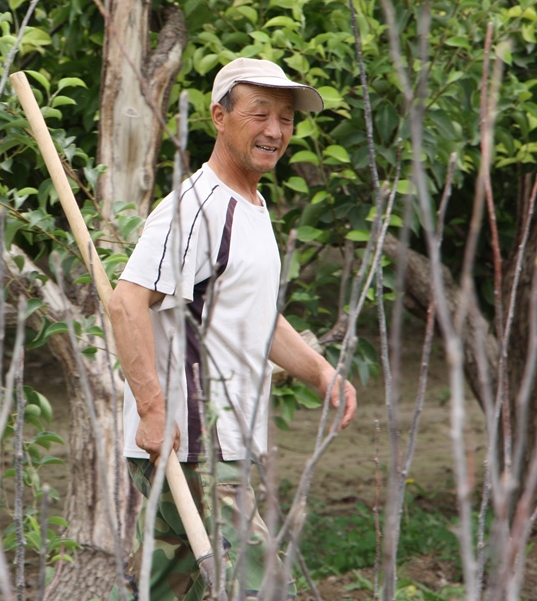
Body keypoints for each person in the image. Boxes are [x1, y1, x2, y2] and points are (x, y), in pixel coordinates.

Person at [107, 57, 358, 600]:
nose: (275, 130)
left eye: (287, 119)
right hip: (193, 445)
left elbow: (253, 315)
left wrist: (319, 372)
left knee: (170, 592)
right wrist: (152, 409)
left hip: (219, 444)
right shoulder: (196, 207)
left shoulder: (252, 206)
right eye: (259, 114)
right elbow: (127, 302)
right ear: (219, 117)